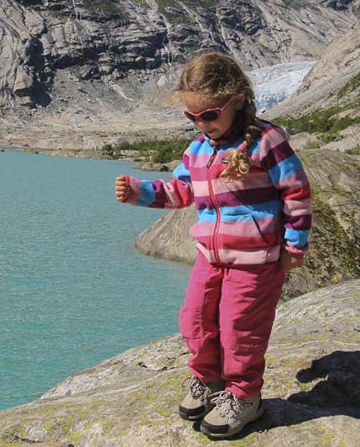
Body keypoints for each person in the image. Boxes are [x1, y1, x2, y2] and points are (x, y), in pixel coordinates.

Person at [114, 52, 312, 438]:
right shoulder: (199, 150)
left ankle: (244, 395)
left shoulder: (267, 141)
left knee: (241, 330)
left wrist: (294, 246)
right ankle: (209, 381)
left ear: (236, 100)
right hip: (210, 256)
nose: (200, 124)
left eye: (208, 115)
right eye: (192, 117)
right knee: (196, 319)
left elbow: (297, 193)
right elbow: (179, 190)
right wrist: (139, 192)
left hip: (256, 259)